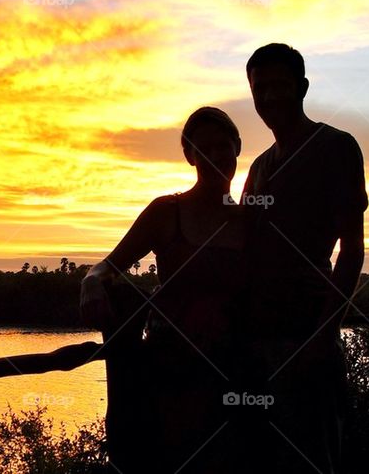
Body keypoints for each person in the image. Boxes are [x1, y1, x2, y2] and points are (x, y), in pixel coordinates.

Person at [79, 106, 245, 474]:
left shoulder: (250, 220)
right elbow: (107, 266)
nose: (215, 157)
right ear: (189, 155)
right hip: (171, 370)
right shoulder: (167, 212)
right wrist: (90, 283)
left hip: (231, 371)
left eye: (223, 146)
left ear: (238, 147)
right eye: (204, 150)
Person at [239, 43, 368, 473]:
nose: (270, 97)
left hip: (305, 337)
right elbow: (244, 249)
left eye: (281, 85)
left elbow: (352, 250)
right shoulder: (258, 167)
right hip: (255, 340)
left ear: (303, 87)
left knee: (311, 458)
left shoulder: (336, 147)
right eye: (261, 89)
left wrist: (322, 336)